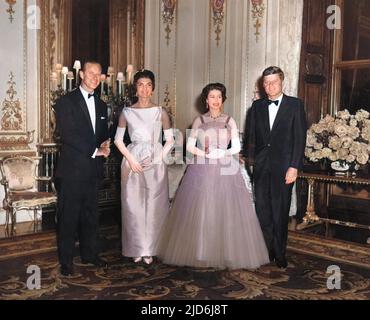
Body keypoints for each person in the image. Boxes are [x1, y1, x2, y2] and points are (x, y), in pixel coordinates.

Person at [156, 83, 269, 270]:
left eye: (218, 96)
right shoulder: (199, 121)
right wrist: (206, 154)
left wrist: (221, 153)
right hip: (202, 168)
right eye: (212, 97)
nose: (215, 100)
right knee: (204, 208)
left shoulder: (230, 120)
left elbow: (236, 147)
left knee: (226, 208)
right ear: (206, 100)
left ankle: (227, 251)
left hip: (226, 168)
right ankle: (202, 251)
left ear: (223, 99)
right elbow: (190, 147)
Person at [242, 66, 307, 268]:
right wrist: (251, 164)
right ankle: (266, 251)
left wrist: (294, 167)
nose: (270, 86)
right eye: (267, 83)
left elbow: (299, 139)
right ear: (263, 85)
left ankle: (280, 253)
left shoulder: (295, 105)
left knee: (280, 211)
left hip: (284, 167)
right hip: (261, 167)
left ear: (282, 83)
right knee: (263, 211)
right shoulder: (256, 107)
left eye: (274, 82)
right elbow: (250, 138)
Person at [54, 61, 111, 276]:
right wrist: (95, 150)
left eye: (99, 74)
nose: (95, 77)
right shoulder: (65, 102)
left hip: (92, 171)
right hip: (71, 172)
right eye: (91, 73)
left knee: (90, 216)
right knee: (68, 217)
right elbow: (67, 134)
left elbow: (103, 133)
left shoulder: (103, 105)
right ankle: (66, 262)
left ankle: (90, 254)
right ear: (81, 74)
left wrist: (105, 145)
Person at [114, 69, 174, 265]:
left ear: (153, 88)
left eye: (148, 85)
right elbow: (118, 140)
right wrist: (131, 160)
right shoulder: (126, 112)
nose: (145, 89)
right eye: (141, 84)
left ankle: (151, 248)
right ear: (136, 88)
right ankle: (136, 248)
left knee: (155, 206)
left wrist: (158, 158)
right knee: (133, 206)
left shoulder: (160, 112)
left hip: (155, 162)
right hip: (133, 162)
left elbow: (170, 140)